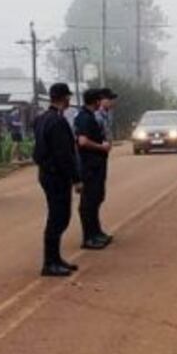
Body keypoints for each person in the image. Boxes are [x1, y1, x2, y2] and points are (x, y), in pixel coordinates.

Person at [33, 83, 82, 277]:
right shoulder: (58, 122)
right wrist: (76, 179)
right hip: (57, 176)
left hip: (46, 173)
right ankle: (50, 262)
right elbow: (65, 155)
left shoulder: (41, 119)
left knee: (57, 216)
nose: (69, 100)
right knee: (59, 218)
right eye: (68, 97)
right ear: (64, 98)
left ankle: (55, 258)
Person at [74, 88, 113, 250]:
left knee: (96, 198)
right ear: (96, 101)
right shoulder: (84, 118)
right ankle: (88, 237)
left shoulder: (89, 117)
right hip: (88, 166)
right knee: (88, 202)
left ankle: (96, 232)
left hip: (96, 165)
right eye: (99, 100)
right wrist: (101, 147)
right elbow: (82, 141)